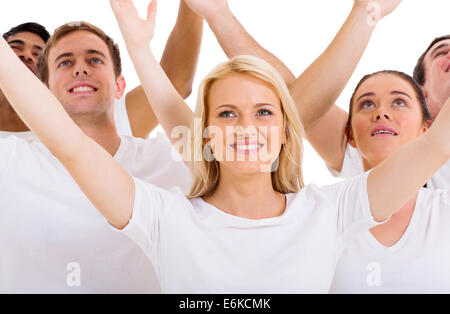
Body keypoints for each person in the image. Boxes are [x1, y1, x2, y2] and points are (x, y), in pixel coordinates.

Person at [3, 0, 449, 293]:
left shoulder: (331, 210)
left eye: (264, 112)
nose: (245, 127)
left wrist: (367, 12)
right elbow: (71, 147)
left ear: (286, 133)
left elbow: (436, 146)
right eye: (228, 114)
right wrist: (139, 48)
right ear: (205, 138)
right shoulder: (164, 216)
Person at [0, 2, 202, 294]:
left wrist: (142, 48)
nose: (80, 68)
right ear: (44, 90)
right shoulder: (12, 161)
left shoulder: (170, 157)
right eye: (65, 62)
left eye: (94, 60)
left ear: (120, 86)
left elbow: (177, 88)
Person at [319, 70, 450, 293]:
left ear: (425, 129)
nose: (381, 113)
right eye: (367, 104)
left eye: (399, 102)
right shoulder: (324, 211)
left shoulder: (444, 210)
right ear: (350, 135)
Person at [1, 3, 203, 139]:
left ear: (50, 82)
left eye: (38, 54)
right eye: (14, 49)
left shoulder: (89, 127)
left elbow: (174, 81)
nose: (27, 55)